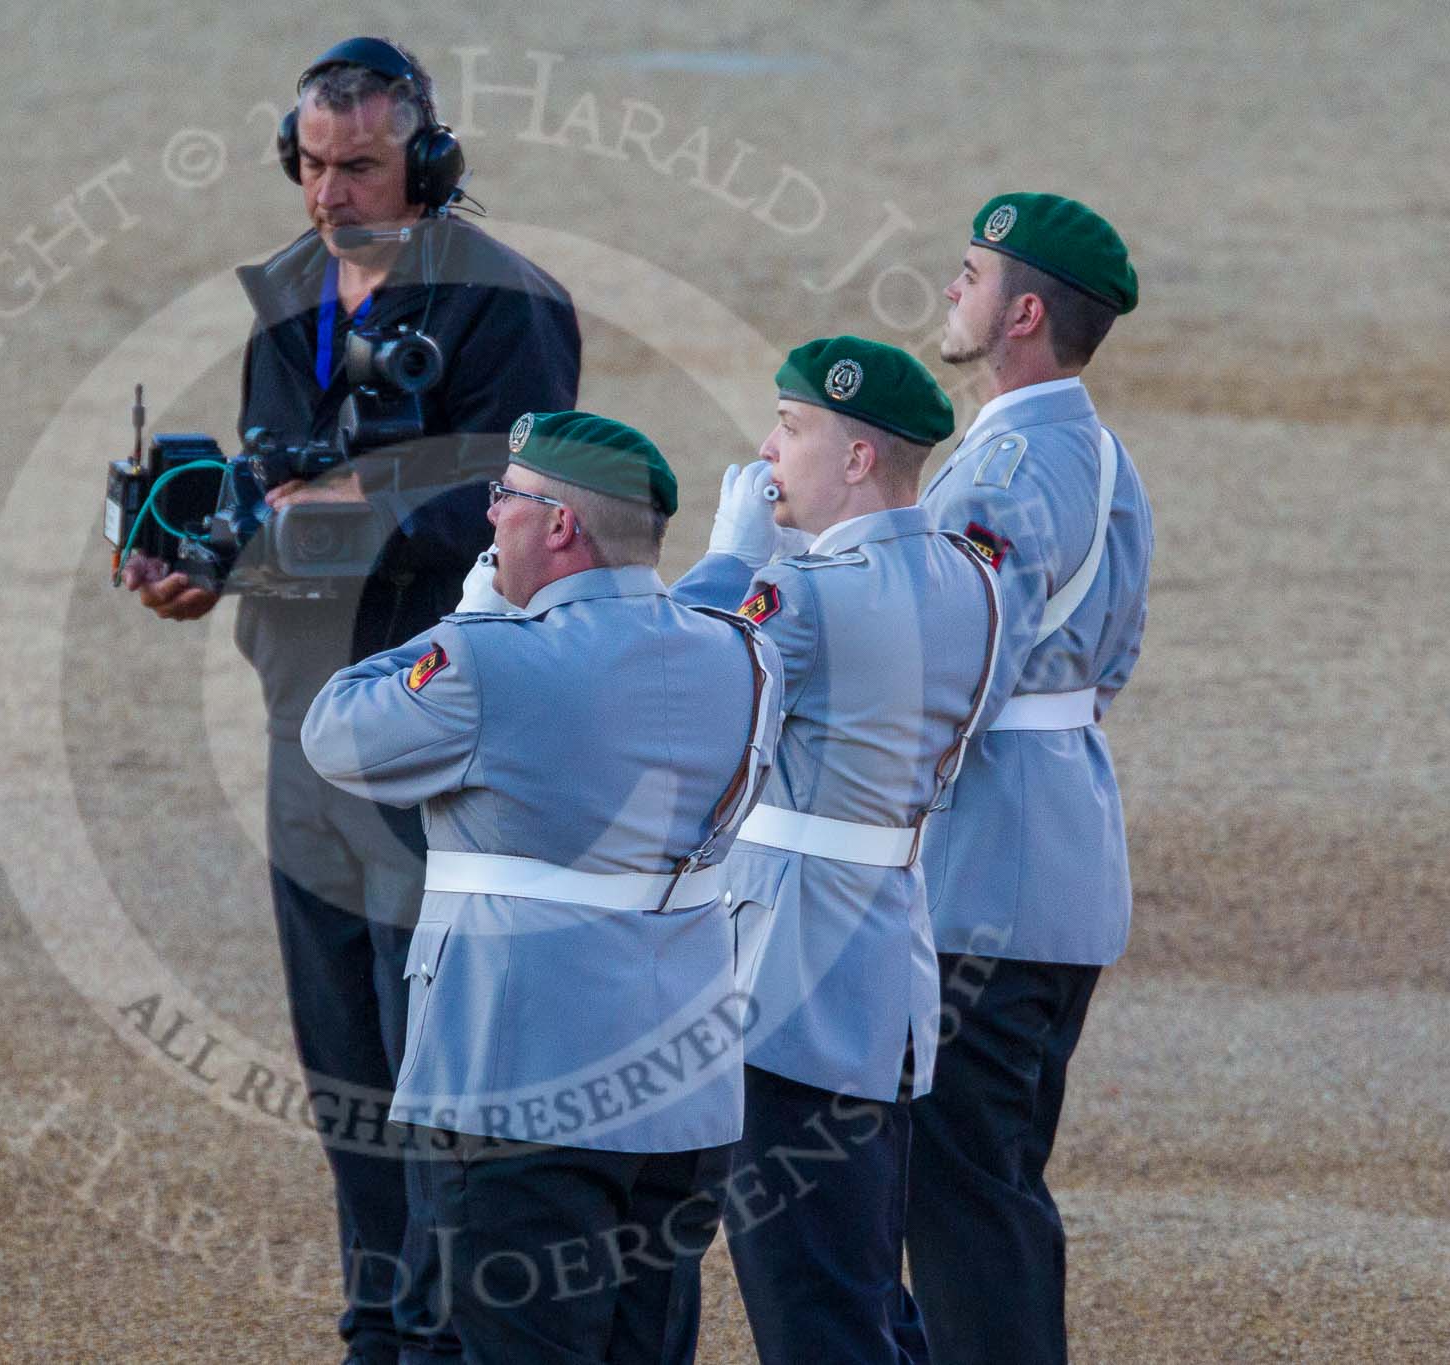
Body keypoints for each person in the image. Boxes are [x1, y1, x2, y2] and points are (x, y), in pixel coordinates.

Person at [119, 37, 581, 1365]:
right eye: (312, 165)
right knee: (346, 1081)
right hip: (302, 731)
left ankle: (447, 1342)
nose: (329, 194)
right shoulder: (284, 297)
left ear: (426, 164)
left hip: (439, 740)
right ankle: (380, 1335)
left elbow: (523, 513)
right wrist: (206, 567)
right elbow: (273, 492)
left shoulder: (510, 308)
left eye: (361, 165)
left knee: (436, 1077)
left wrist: (338, 513)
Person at [302, 411, 782, 1365]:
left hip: (522, 1084)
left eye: (506, 497)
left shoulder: (491, 660)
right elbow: (687, 618)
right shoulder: (743, 653)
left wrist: (471, 616)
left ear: (560, 525)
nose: (489, 518)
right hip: (681, 1094)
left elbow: (335, 731)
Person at [673, 338, 1000, 1363]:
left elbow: (652, 687)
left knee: (811, 1303)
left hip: (787, 969)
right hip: (877, 960)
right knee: (858, 1287)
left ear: (857, 458)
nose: (766, 449)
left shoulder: (808, 594)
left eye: (790, 425)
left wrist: (730, 559)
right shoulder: (969, 577)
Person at [904, 193, 1154, 1365]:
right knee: (991, 1178)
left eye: (969, 274)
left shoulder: (1003, 465)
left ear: (1024, 314)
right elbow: (1113, 654)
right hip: (1062, 850)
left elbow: (956, 661)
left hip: (983, 866)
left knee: (960, 1196)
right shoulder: (1104, 457)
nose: (950, 291)